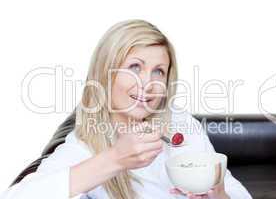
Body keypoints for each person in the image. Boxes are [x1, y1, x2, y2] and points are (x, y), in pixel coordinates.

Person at [1, 19, 252, 199]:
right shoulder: (83, 147)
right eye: (134, 67)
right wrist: (114, 159)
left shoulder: (180, 124)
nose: (148, 83)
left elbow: (235, 190)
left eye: (158, 71)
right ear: (105, 74)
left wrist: (219, 197)